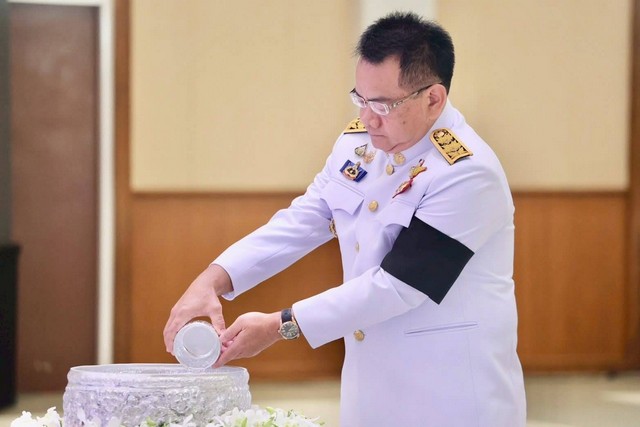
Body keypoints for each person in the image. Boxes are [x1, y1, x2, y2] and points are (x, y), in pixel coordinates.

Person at [164, 11, 526, 426]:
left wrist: (283, 324)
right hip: (370, 384)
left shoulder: (467, 173)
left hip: (450, 393)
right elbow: (304, 219)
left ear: (433, 98)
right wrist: (213, 279)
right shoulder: (359, 144)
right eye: (361, 99)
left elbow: (399, 286)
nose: (368, 118)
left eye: (383, 104)